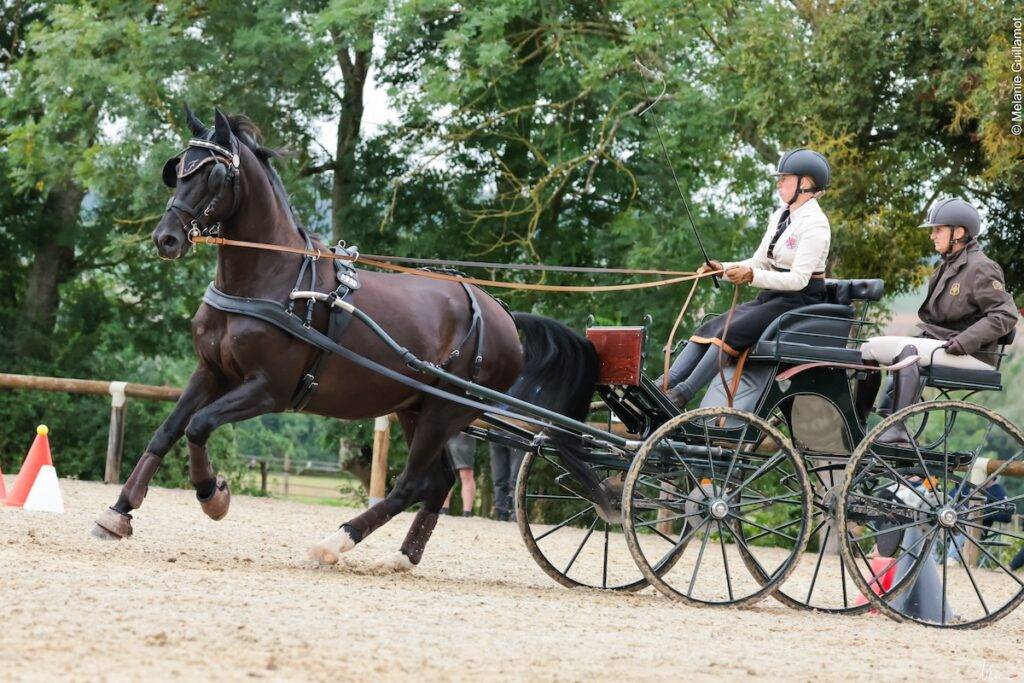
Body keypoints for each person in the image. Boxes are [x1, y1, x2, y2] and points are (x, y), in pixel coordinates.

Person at [659, 148, 832, 407]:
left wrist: (751, 276)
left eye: (784, 178)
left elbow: (798, 280)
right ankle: (664, 383)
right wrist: (722, 268)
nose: (779, 183)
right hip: (773, 297)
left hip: (799, 301)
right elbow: (758, 261)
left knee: (730, 331)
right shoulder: (781, 215)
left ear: (804, 183)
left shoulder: (816, 223)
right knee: (712, 327)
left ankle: (682, 394)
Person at [859, 197, 1019, 444]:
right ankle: (858, 424)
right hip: (943, 344)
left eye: (938, 229)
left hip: (971, 354)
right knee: (868, 347)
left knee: (908, 350)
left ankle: (898, 428)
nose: (932, 235)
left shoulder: (982, 267)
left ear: (959, 233)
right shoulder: (946, 266)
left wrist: (964, 341)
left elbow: (1005, 315)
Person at [440, 432, 477, 517]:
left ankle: (467, 513)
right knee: (444, 473)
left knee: (466, 473)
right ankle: (443, 510)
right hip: (443, 433)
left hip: (463, 432)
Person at [489, 443, 525, 521]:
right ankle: (501, 515)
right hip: (497, 437)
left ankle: (517, 515)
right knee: (498, 479)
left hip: (519, 438)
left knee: (517, 480)